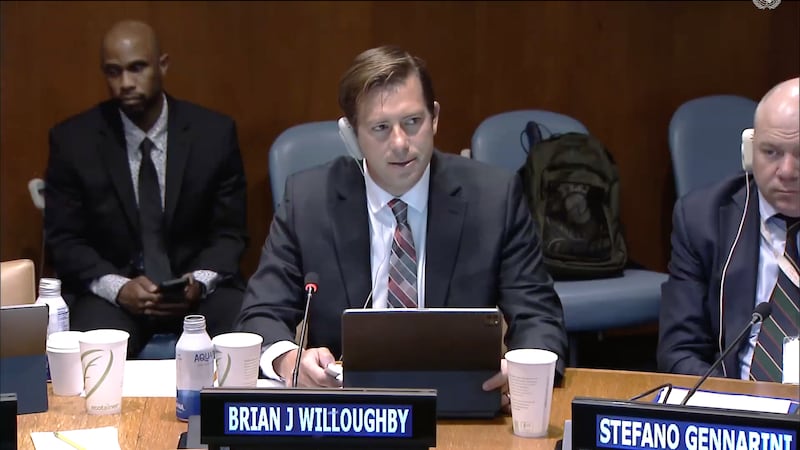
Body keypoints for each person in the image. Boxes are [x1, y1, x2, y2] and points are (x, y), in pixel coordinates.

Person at [235, 45, 568, 407]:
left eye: (413, 122)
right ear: (351, 135)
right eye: (380, 128)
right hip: (348, 411)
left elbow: (539, 316)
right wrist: (290, 362)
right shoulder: (309, 200)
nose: (400, 144)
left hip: (463, 402)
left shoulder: (493, 198)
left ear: (435, 117)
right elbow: (261, 313)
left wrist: (521, 372)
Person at [44, 20, 248, 357]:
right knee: (94, 357)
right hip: (115, 296)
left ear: (162, 65)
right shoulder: (73, 141)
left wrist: (196, 282)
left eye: (137, 68)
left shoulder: (214, 134)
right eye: (113, 72)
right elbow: (65, 241)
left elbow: (230, 234)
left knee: (247, 336)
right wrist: (118, 288)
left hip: (199, 292)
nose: (125, 83)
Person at [658, 77, 799, 381]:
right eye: (771, 152)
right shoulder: (702, 219)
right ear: (750, 152)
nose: (786, 171)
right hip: (735, 407)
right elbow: (679, 351)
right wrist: (733, 405)